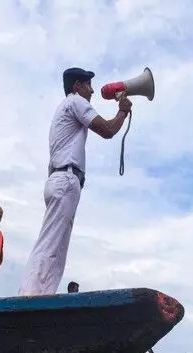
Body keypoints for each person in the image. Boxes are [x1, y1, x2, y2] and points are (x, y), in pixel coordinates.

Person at [18, 67, 132, 296]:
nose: (92, 90)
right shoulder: (76, 102)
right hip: (66, 178)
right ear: (77, 86)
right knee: (51, 244)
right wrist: (122, 111)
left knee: (57, 248)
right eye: (88, 85)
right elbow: (108, 130)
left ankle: (43, 296)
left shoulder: (67, 106)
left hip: (63, 179)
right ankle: (29, 296)